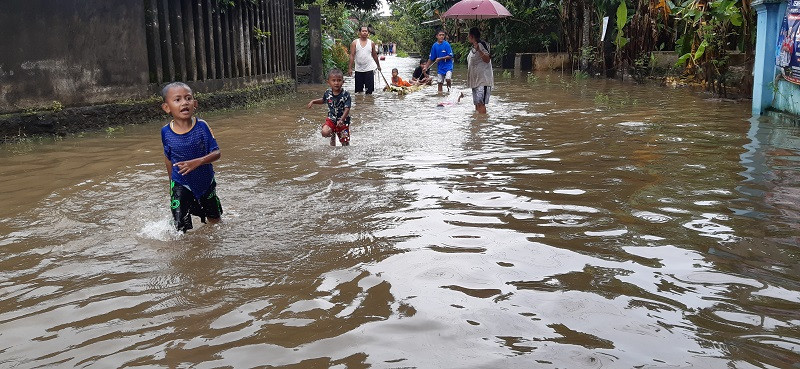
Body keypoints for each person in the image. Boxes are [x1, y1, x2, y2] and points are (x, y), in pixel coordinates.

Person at [160, 82, 223, 232]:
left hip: (205, 181)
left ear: (195, 104)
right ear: (167, 107)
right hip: (181, 182)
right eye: (178, 100)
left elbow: (217, 153)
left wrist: (198, 162)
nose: (184, 103)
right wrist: (171, 184)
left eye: (188, 98)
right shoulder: (165, 132)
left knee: (215, 220)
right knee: (180, 228)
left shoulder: (202, 126)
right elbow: (168, 158)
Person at [307, 69, 351, 146]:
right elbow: (324, 100)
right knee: (324, 132)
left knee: (345, 143)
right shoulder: (328, 93)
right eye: (333, 80)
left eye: (339, 80)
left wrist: (342, 119)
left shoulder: (346, 94)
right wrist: (313, 101)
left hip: (343, 121)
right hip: (331, 119)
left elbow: (347, 109)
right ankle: (332, 135)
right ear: (328, 82)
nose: (336, 83)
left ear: (343, 82)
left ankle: (342, 156)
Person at [467, 27, 494, 114]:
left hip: (483, 80)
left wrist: (479, 50)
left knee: (481, 103)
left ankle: (483, 124)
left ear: (471, 36)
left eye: (468, 35)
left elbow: (487, 59)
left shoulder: (482, 45)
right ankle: (477, 123)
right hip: (475, 81)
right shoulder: (473, 47)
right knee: (477, 103)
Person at [348, 26, 381, 94]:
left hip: (369, 70)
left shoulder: (371, 43)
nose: (364, 32)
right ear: (359, 32)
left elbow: (374, 55)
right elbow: (352, 55)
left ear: (368, 33)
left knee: (369, 93)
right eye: (363, 31)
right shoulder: (354, 43)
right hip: (358, 70)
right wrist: (350, 68)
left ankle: (368, 104)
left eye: (366, 31)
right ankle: (360, 104)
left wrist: (378, 65)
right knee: (358, 92)